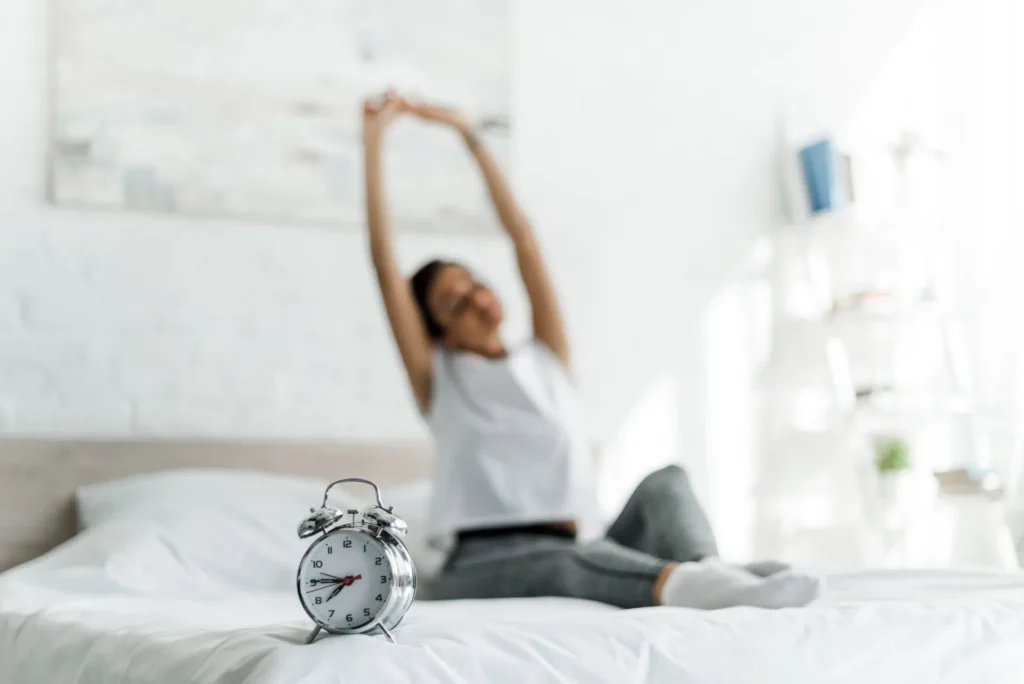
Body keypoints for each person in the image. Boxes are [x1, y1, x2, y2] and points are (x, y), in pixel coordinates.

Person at [361, 90, 821, 609]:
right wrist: (375, 139)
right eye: (453, 301)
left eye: (474, 283)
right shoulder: (441, 379)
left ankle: (708, 573)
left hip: (579, 541)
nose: (474, 297)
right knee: (569, 564)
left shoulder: (545, 360)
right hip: (485, 563)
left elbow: (525, 241)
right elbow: (384, 266)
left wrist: (467, 134)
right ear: (438, 333)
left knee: (666, 483)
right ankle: (704, 589)